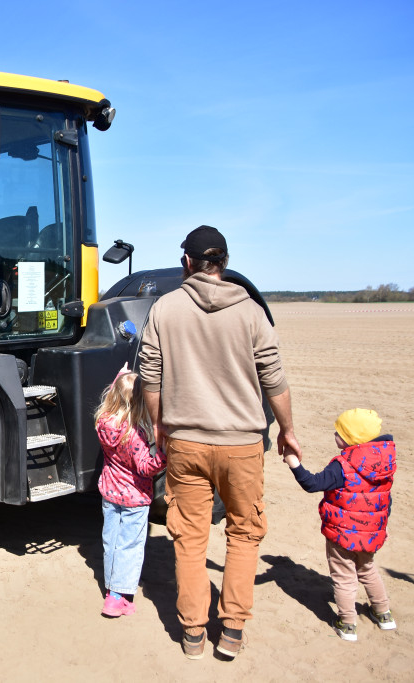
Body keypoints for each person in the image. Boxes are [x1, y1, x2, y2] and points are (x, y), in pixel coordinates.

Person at [138, 225, 302, 660]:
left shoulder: (165, 308)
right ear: (224, 263)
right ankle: (230, 632)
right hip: (242, 445)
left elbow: (150, 375)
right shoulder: (250, 310)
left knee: (189, 538)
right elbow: (274, 378)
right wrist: (286, 430)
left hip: (186, 443)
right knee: (244, 535)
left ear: (187, 263)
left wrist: (158, 425)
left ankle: (192, 634)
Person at [282, 408, 397, 641]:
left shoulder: (342, 466)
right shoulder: (385, 462)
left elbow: (312, 484)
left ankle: (347, 623)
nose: (335, 435)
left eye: (339, 432)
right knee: (367, 569)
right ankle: (383, 613)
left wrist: (294, 464)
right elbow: (386, 498)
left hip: (342, 534)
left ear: (351, 438)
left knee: (344, 577)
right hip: (371, 532)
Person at [94, 364, 167, 617]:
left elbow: (120, 391)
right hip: (135, 498)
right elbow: (146, 468)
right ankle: (117, 597)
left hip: (110, 494)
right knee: (130, 545)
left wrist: (120, 376)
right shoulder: (134, 435)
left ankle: (110, 587)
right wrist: (164, 456)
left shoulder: (103, 424)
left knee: (111, 541)